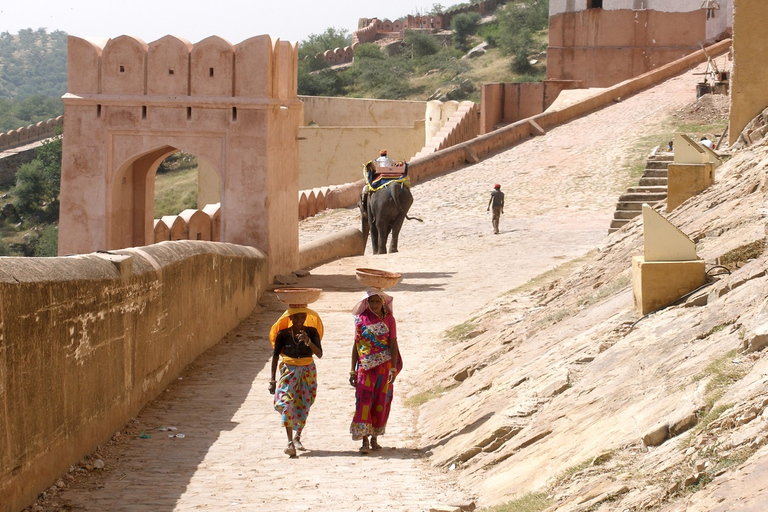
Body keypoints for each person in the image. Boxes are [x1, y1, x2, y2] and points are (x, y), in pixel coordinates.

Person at [349, 289, 402, 453]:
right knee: (363, 401)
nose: (374, 305)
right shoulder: (361, 320)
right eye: (371, 302)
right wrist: (352, 370)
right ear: (366, 303)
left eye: (377, 302)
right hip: (364, 368)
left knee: (381, 401)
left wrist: (393, 367)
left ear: (383, 303)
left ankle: (374, 438)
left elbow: (393, 344)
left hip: (384, 367)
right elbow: (356, 345)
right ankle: (364, 440)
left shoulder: (389, 320)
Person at [269, 308, 324, 457]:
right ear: (291, 318)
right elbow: (275, 356)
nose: (299, 320)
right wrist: (272, 379)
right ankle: (289, 442)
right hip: (288, 371)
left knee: (304, 403)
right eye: (296, 317)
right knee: (287, 402)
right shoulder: (283, 335)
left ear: (305, 317)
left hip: (307, 372)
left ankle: (297, 436)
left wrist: (308, 342)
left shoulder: (312, 332)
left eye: (302, 317)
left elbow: (319, 354)